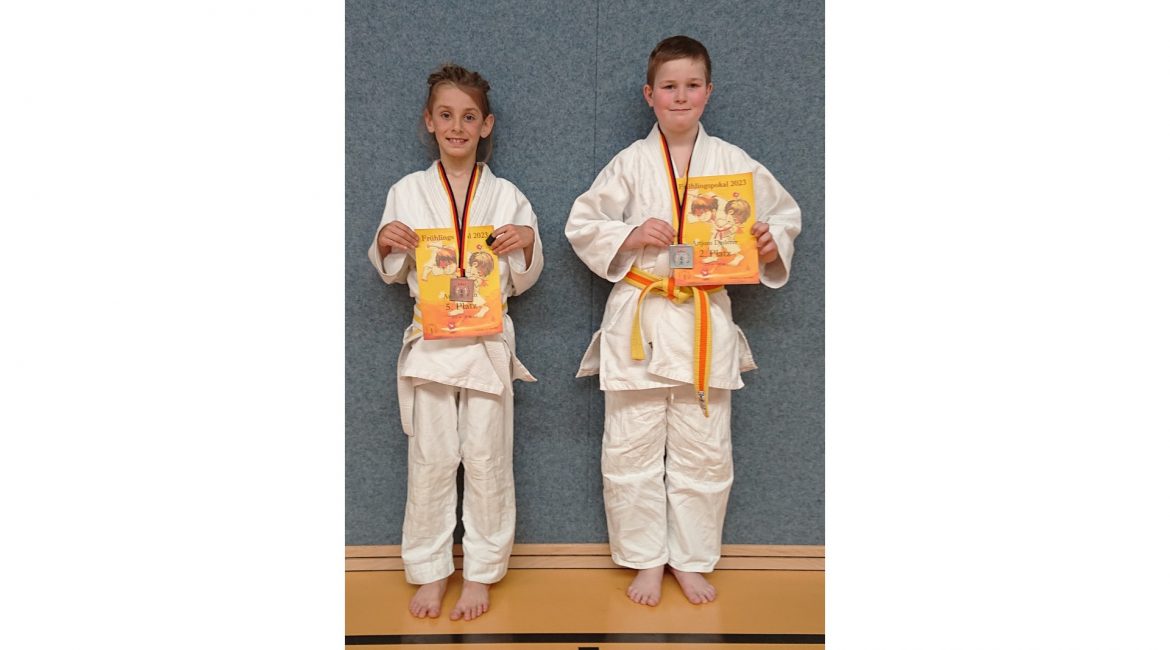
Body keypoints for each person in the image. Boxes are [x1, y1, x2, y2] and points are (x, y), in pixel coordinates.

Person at [564, 35, 801, 607]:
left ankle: (691, 560)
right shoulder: (629, 162)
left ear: (708, 92)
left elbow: (783, 215)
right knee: (630, 449)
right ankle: (646, 560)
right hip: (641, 322)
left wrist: (771, 242)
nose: (680, 96)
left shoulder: (734, 163)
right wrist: (630, 234)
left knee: (705, 449)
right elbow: (582, 223)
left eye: (692, 85)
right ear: (649, 95)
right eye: (669, 86)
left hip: (702, 319)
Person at [368, 63, 543, 621]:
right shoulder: (407, 191)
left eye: (469, 117)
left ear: (486, 125)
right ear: (429, 121)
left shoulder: (508, 195)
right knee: (431, 458)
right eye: (446, 115)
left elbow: (526, 273)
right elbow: (391, 269)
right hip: (433, 340)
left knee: (488, 457)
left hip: (487, 339)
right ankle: (430, 569)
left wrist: (526, 241)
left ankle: (482, 572)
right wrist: (386, 241)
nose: (457, 126)